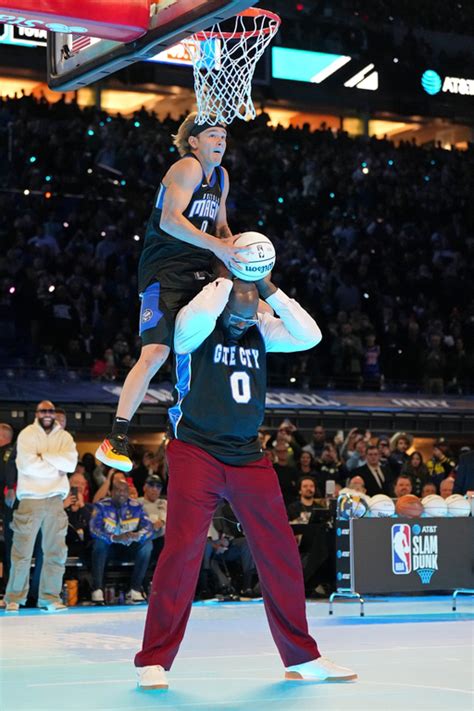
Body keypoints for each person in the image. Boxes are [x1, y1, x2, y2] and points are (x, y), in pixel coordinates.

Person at [134, 272, 356, 688]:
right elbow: (200, 313)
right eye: (235, 318)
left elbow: (310, 336)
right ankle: (155, 661)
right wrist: (227, 275)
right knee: (181, 552)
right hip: (195, 450)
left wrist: (268, 289)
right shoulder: (195, 327)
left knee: (281, 553)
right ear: (221, 307)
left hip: (248, 455)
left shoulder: (259, 329)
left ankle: (302, 657)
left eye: (248, 318)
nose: (241, 325)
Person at [95, 113, 248, 473]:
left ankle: (186, 424)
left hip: (200, 270)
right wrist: (220, 247)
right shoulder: (187, 168)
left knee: (202, 347)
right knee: (156, 351)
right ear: (194, 141)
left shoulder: (221, 177)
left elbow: (220, 223)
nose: (221, 140)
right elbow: (169, 220)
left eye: (223, 135)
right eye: (213, 134)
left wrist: (237, 250)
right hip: (163, 271)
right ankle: (116, 436)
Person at [4, 401, 78, 612]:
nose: (47, 414)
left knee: (56, 552)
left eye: (50, 411)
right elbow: (26, 465)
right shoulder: (27, 434)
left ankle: (49, 598)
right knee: (21, 552)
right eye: (43, 410)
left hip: (55, 500)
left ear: (54, 414)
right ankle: (14, 598)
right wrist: (56, 466)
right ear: (37, 414)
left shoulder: (65, 437)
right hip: (31, 499)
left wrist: (43, 458)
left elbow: (70, 464)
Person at [89, 478, 153, 604]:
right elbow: (93, 529)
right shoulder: (101, 506)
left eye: (124, 490)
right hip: (109, 547)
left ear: (128, 492)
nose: (121, 493)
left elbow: (149, 528)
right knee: (99, 543)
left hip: (129, 547)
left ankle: (135, 589)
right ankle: (97, 589)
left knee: (147, 545)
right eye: (117, 490)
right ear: (111, 492)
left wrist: (137, 535)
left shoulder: (137, 507)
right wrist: (113, 537)